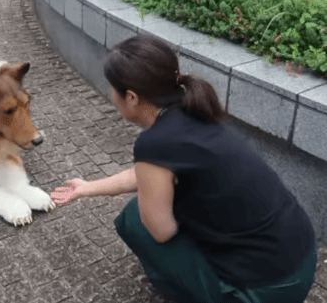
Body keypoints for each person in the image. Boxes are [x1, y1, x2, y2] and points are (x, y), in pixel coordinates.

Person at [51, 35, 317, 303]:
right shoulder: (194, 110)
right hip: (301, 259)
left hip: (265, 292)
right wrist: (87, 188)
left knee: (137, 221)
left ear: (131, 97)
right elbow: (147, 176)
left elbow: (161, 231)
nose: (111, 95)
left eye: (112, 89)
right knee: (158, 205)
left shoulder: (155, 144)